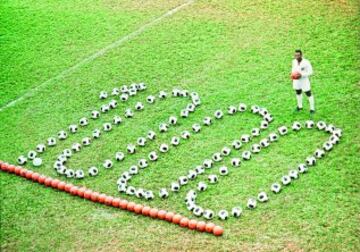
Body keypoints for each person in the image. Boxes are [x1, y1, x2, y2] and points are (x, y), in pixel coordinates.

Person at [291, 49, 315, 114]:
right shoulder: (293, 61)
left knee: (308, 93)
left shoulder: (306, 62)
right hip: (296, 81)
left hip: (304, 80)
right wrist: (293, 78)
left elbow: (311, 72)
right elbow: (293, 70)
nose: (296, 57)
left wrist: (301, 75)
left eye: (298, 55)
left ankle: (312, 109)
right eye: (295, 55)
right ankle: (300, 106)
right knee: (298, 92)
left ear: (301, 55)